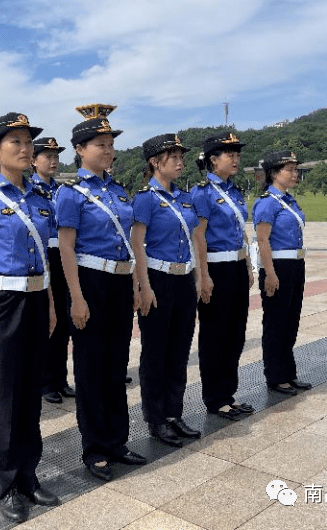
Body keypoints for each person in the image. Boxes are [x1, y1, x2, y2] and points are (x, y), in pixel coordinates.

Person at [0, 113, 60, 523]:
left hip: (38, 301)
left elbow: (47, 259)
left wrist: (53, 303)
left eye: (28, 142)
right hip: (2, 304)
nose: (25, 149)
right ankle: (6, 485)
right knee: (3, 395)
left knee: (29, 395)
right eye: (15, 142)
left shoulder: (41, 200)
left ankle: (28, 474)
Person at [55, 112, 147, 483]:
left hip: (121, 284)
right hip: (90, 283)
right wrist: (76, 298)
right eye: (100, 145)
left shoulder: (118, 191)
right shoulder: (70, 193)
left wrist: (139, 286)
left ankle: (117, 441)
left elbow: (132, 243)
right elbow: (66, 247)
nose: (109, 151)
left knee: (116, 366)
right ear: (80, 150)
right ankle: (95, 447)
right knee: (92, 369)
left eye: (111, 145)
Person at [131, 134, 201, 446]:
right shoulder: (145, 198)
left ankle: (174, 413)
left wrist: (198, 277)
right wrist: (143, 287)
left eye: (180, 155)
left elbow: (194, 240)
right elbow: (137, 244)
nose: (179, 161)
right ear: (155, 162)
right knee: (156, 353)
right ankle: (155, 418)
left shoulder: (186, 198)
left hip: (184, 279)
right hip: (157, 280)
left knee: (179, 350)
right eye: (172, 156)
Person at [191, 131, 255, 421]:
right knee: (215, 335)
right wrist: (203, 276)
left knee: (235, 334)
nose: (236, 159)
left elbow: (241, 232)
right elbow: (199, 237)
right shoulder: (203, 194)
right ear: (213, 160)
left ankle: (228, 393)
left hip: (236, 268)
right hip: (215, 269)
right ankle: (214, 398)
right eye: (230, 154)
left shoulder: (235, 192)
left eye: (237, 155)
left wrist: (249, 266)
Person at [252, 150, 311, 395]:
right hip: (278, 267)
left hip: (296, 265)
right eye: (290, 169)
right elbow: (262, 240)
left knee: (291, 322)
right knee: (276, 323)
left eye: (296, 169)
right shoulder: (267, 202)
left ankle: (289, 372)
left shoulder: (289, 200)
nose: (295, 173)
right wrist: (271, 273)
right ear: (275, 174)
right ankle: (275, 377)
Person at [31, 136, 76, 404]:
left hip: (64, 256)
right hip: (42, 255)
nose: (53, 160)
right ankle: (44, 381)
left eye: (56, 155)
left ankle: (60, 378)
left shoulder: (62, 191)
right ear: (34, 161)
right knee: (45, 321)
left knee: (64, 320)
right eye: (47, 155)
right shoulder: (30, 190)